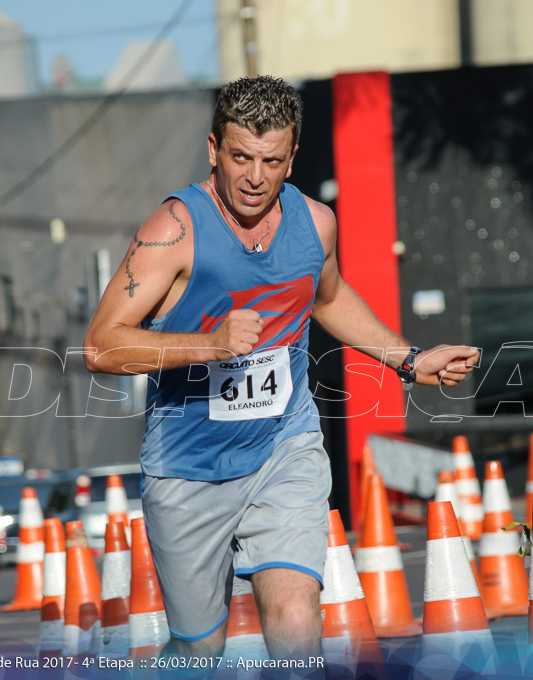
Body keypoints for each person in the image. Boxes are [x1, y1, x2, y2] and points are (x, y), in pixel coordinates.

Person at [84, 75, 479, 660]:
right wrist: (209, 345)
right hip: (188, 469)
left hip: (283, 447)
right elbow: (100, 346)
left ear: (292, 158)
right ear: (213, 149)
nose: (253, 177)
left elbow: (329, 297)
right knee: (200, 652)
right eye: (240, 157)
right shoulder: (175, 229)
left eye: (270, 161)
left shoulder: (315, 223)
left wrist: (410, 359)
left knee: (296, 614)